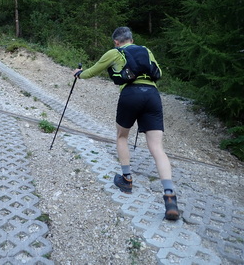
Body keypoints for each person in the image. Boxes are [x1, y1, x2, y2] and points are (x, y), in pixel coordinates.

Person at [73, 26, 179, 220]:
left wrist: (79, 73)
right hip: (153, 96)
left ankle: (126, 180)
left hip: (130, 94)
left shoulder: (115, 52)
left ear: (116, 41)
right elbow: (159, 73)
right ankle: (170, 196)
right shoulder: (146, 51)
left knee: (122, 137)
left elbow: (93, 71)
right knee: (157, 147)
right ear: (132, 39)